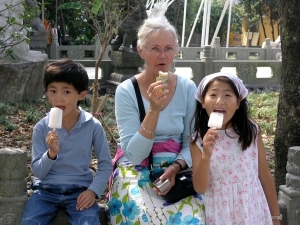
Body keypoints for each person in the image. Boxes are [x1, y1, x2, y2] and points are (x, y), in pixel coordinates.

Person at [106, 7, 205, 225]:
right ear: (140, 51)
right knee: (140, 218)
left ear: (175, 51)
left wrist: (176, 166)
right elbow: (134, 154)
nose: (163, 56)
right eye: (155, 49)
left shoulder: (188, 88)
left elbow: (193, 142)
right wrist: (153, 110)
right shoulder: (126, 91)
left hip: (177, 168)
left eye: (168, 48)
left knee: (194, 220)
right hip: (136, 168)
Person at [21, 59, 113, 225]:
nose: (58, 98)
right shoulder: (42, 127)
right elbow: (38, 173)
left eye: (66, 92)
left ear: (82, 94)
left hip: (79, 191)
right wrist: (51, 154)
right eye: (53, 91)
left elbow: (106, 164)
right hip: (45, 191)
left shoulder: (93, 126)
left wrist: (93, 191)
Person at [190, 72, 281, 224]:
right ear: (203, 102)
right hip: (220, 213)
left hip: (252, 208)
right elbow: (200, 188)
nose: (219, 101)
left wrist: (276, 217)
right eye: (213, 95)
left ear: (238, 103)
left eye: (227, 95)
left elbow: (264, 175)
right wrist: (206, 155)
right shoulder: (197, 141)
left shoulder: (252, 132)